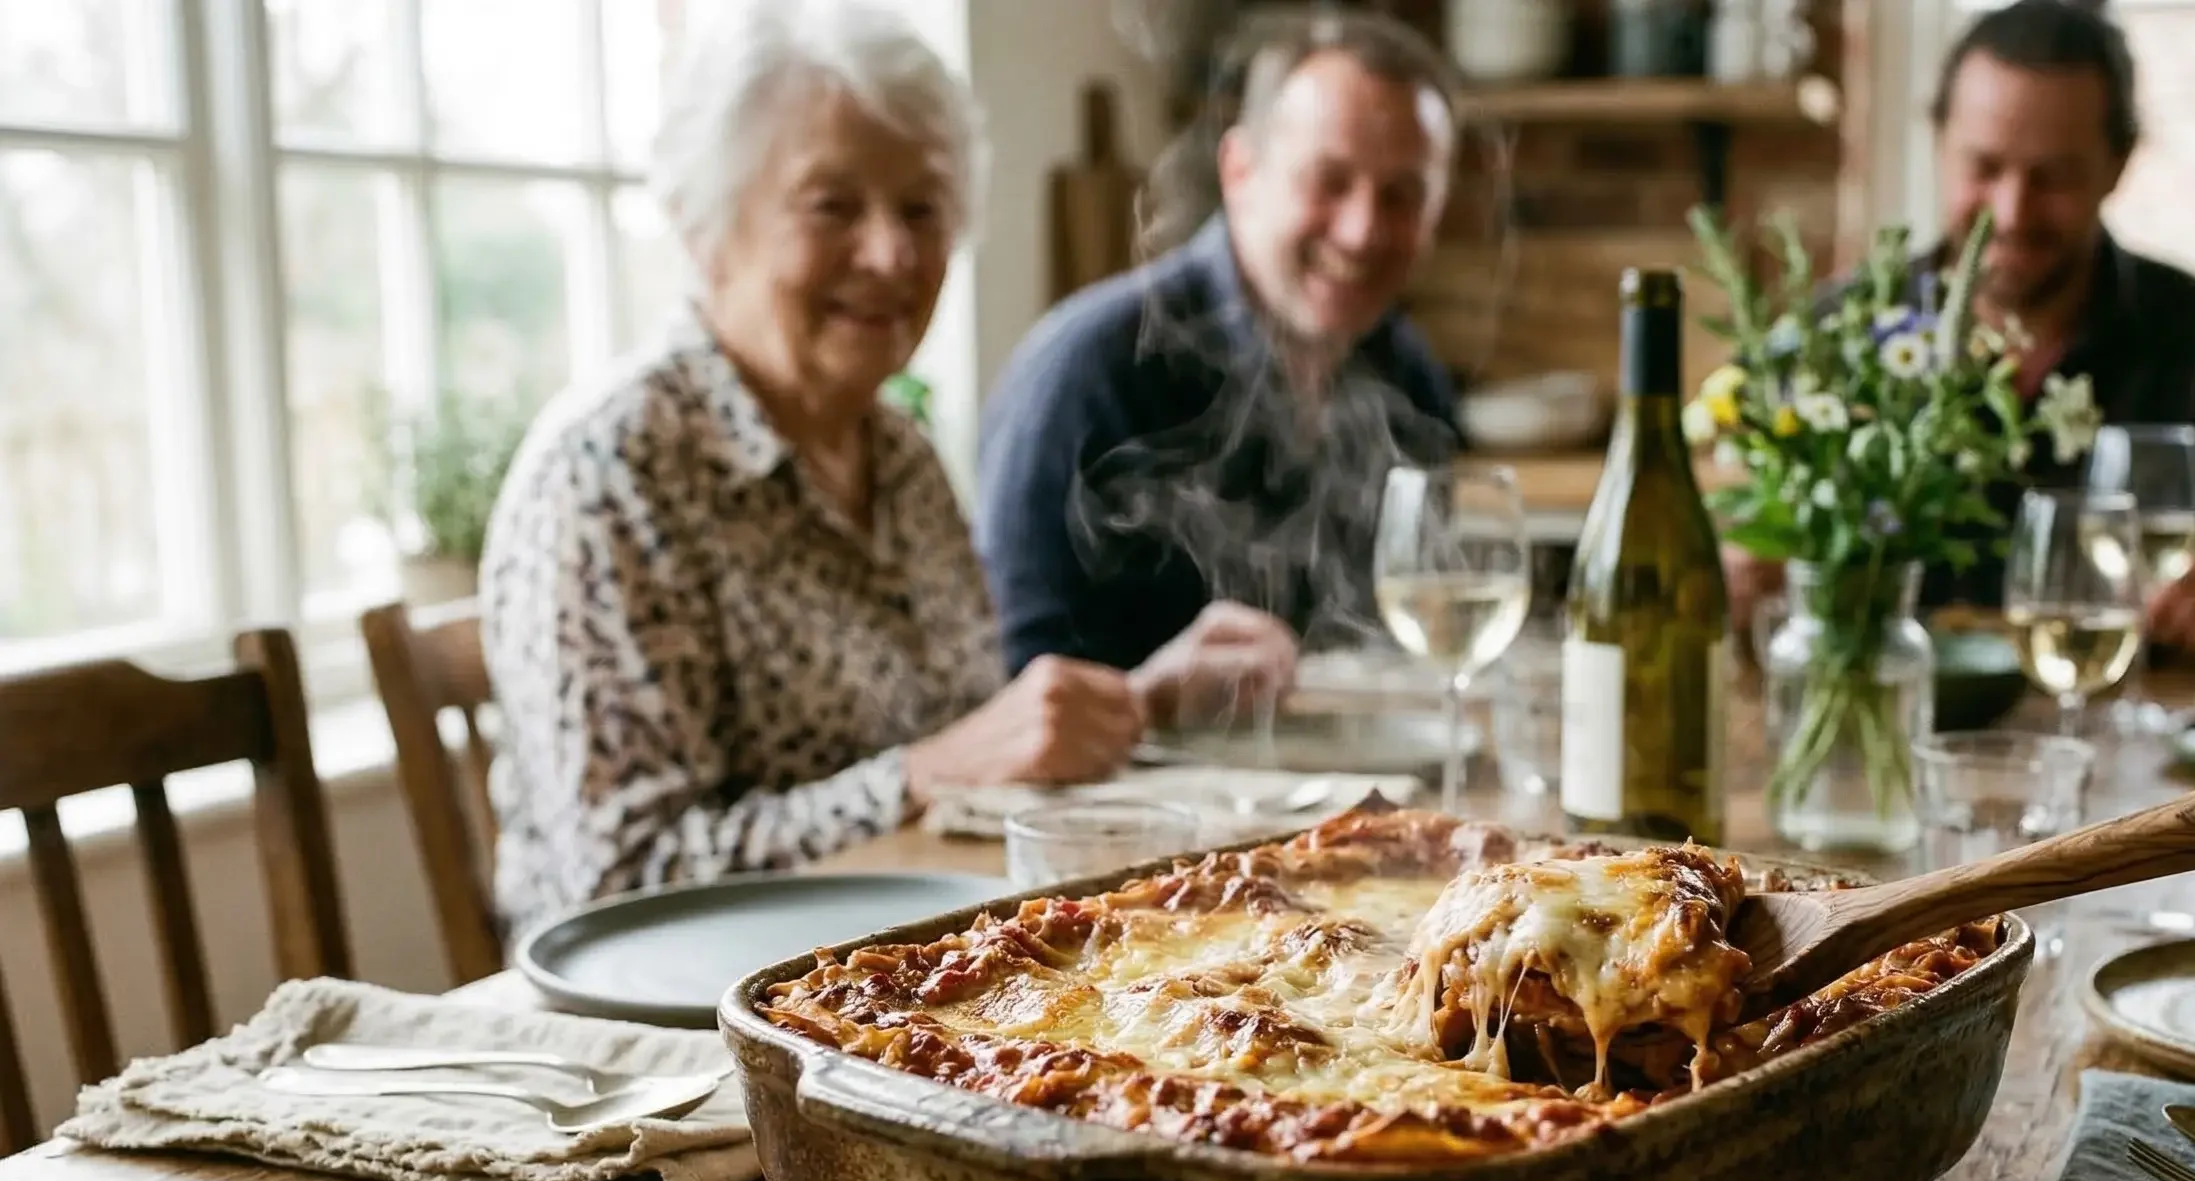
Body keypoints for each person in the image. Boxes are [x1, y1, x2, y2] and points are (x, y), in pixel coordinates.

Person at [479, 0, 1278, 930]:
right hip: (673, 1029)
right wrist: (927, 773)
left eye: (922, 208)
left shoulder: (897, 452)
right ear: (709, 225)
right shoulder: (610, 472)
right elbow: (622, 886)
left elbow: (976, 743)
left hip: (888, 971)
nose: (893, 252)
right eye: (832, 206)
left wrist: (1141, 701)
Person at [1731, 0, 2195, 661]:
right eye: (1984, 168)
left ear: (2118, 164)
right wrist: (1743, 577)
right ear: (1937, 143)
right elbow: (1752, 567)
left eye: (2053, 177)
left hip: (2146, 753)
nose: (2013, 212)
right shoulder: (1836, 336)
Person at [973, 10, 1464, 676]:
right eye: (1329, 181)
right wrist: (1152, 697)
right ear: (1239, 171)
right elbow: (1010, 688)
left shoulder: (1410, 376)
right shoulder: (1089, 371)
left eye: (1403, 196)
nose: (1361, 231)